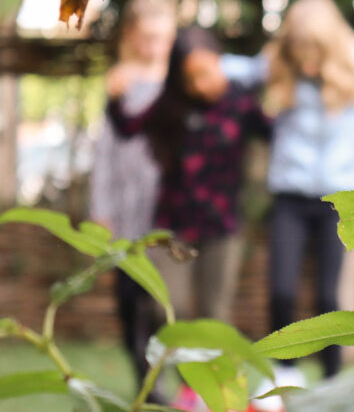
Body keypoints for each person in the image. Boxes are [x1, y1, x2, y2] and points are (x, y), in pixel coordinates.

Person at [220, 0, 354, 403]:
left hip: (339, 200)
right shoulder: (277, 63)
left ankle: (332, 379)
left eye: (314, 52)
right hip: (290, 194)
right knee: (281, 289)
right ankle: (283, 371)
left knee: (327, 297)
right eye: (300, 52)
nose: (307, 62)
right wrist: (204, 62)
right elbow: (238, 69)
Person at [106, 25, 271, 410]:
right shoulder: (170, 106)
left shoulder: (241, 102)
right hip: (173, 226)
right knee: (168, 307)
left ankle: (212, 392)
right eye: (190, 77)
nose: (200, 84)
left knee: (215, 315)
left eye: (206, 72)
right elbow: (127, 127)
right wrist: (113, 98)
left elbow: (275, 131)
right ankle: (187, 385)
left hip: (223, 227)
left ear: (221, 62)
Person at [89, 0, 176, 405]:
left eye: (163, 38)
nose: (155, 47)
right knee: (129, 302)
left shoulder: (180, 81)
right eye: (147, 37)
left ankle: (162, 378)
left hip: (169, 214)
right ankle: (146, 381)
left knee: (163, 302)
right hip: (126, 213)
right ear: (131, 36)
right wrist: (101, 210)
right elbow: (104, 153)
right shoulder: (119, 81)